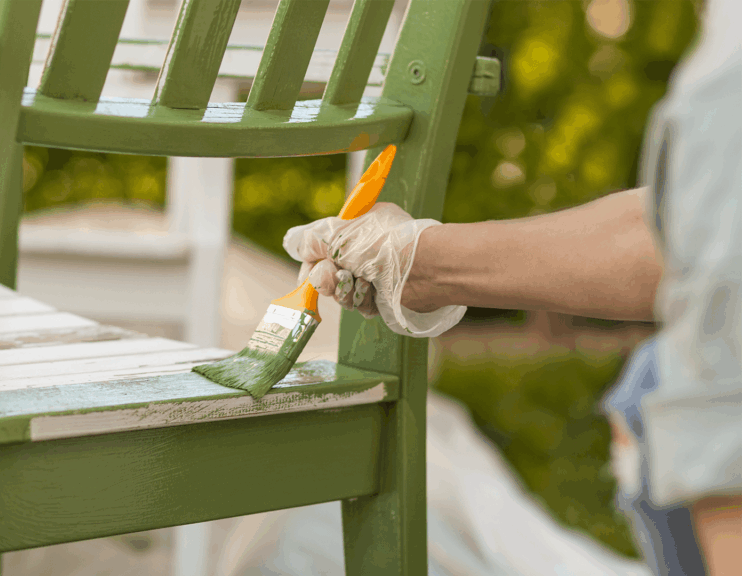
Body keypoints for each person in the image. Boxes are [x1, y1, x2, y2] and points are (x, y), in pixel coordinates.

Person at [282, 1, 741, 575]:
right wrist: (422, 261)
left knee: (659, 393)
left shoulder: (730, 76)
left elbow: (726, 383)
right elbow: (693, 232)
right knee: (647, 388)